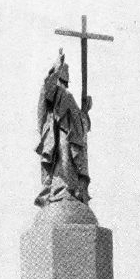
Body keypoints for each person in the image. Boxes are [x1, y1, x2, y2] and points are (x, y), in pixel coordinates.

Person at [35, 49, 91, 207]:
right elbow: (48, 88)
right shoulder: (54, 91)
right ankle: (60, 191)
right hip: (59, 134)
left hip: (72, 137)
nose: (64, 82)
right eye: (62, 78)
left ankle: (72, 191)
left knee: (71, 161)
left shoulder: (68, 95)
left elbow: (81, 125)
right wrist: (57, 66)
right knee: (63, 159)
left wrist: (84, 112)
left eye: (65, 80)